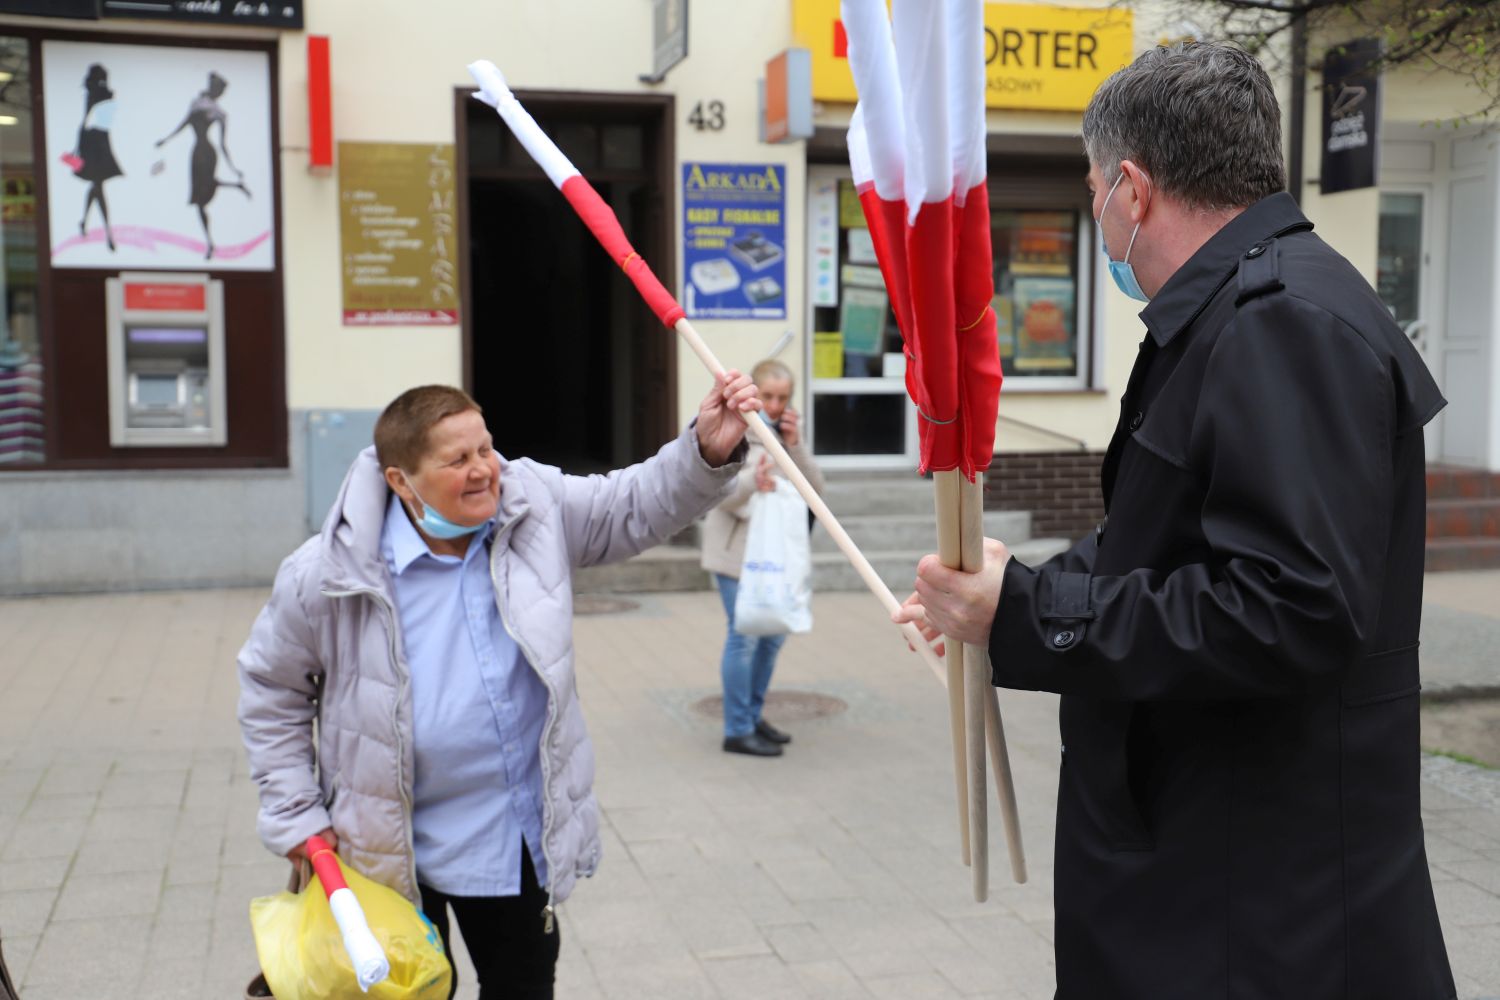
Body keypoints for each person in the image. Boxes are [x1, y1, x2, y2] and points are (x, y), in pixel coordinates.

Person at [896, 42, 1456, 1000]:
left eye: (1091, 190)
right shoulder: (1236, 308)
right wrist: (1006, 591)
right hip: (1214, 872)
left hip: (1255, 907)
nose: (1097, 215)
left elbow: (1291, 608)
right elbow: (1166, 536)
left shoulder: (1282, 322)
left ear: (1132, 188)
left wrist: (1031, 618)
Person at [238, 373, 760, 1000]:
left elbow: (632, 505)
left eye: (485, 448)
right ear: (401, 482)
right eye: (458, 459)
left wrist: (704, 450)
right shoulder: (327, 571)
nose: (486, 469)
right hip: (380, 845)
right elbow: (272, 691)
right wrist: (296, 813)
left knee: (523, 987)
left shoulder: (532, 506)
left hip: (509, 837)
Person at [700, 359, 823, 757]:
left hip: (775, 558)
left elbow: (816, 492)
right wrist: (756, 481)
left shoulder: (783, 435)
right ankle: (737, 729)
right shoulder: (735, 430)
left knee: (771, 639)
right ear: (754, 392)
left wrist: (796, 444)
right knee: (744, 638)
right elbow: (722, 494)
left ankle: (753, 716)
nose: (773, 404)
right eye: (767, 395)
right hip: (736, 556)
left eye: (782, 398)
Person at [156, 72, 250, 260]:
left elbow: (223, 145)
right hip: (197, 152)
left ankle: (209, 243)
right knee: (200, 200)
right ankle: (210, 242)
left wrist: (233, 167)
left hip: (207, 153)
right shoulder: (197, 103)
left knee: (205, 191)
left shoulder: (219, 113)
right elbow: (183, 124)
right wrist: (165, 140)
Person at [71, 64, 122, 252]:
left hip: (98, 141)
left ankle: (84, 222)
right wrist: (77, 148)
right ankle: (107, 232)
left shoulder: (100, 93)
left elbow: (90, 120)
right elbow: (86, 121)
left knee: (96, 186)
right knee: (97, 187)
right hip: (93, 142)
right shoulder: (96, 94)